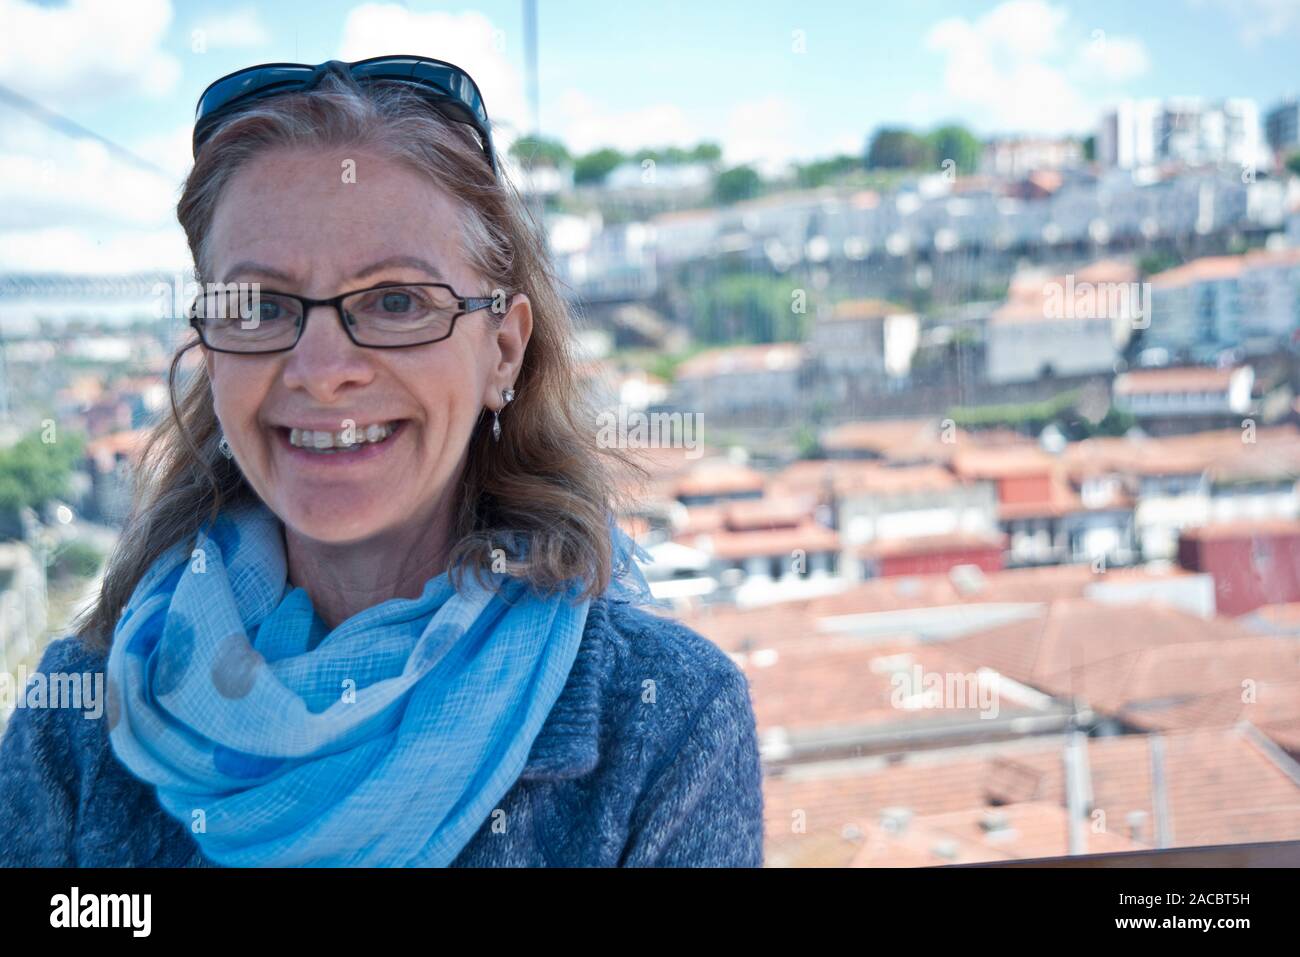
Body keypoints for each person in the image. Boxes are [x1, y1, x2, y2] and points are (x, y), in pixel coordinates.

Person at [0, 57, 764, 867]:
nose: (321, 368)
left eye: (396, 300)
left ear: (502, 351)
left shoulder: (663, 724)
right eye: (258, 306)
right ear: (211, 354)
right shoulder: (80, 717)